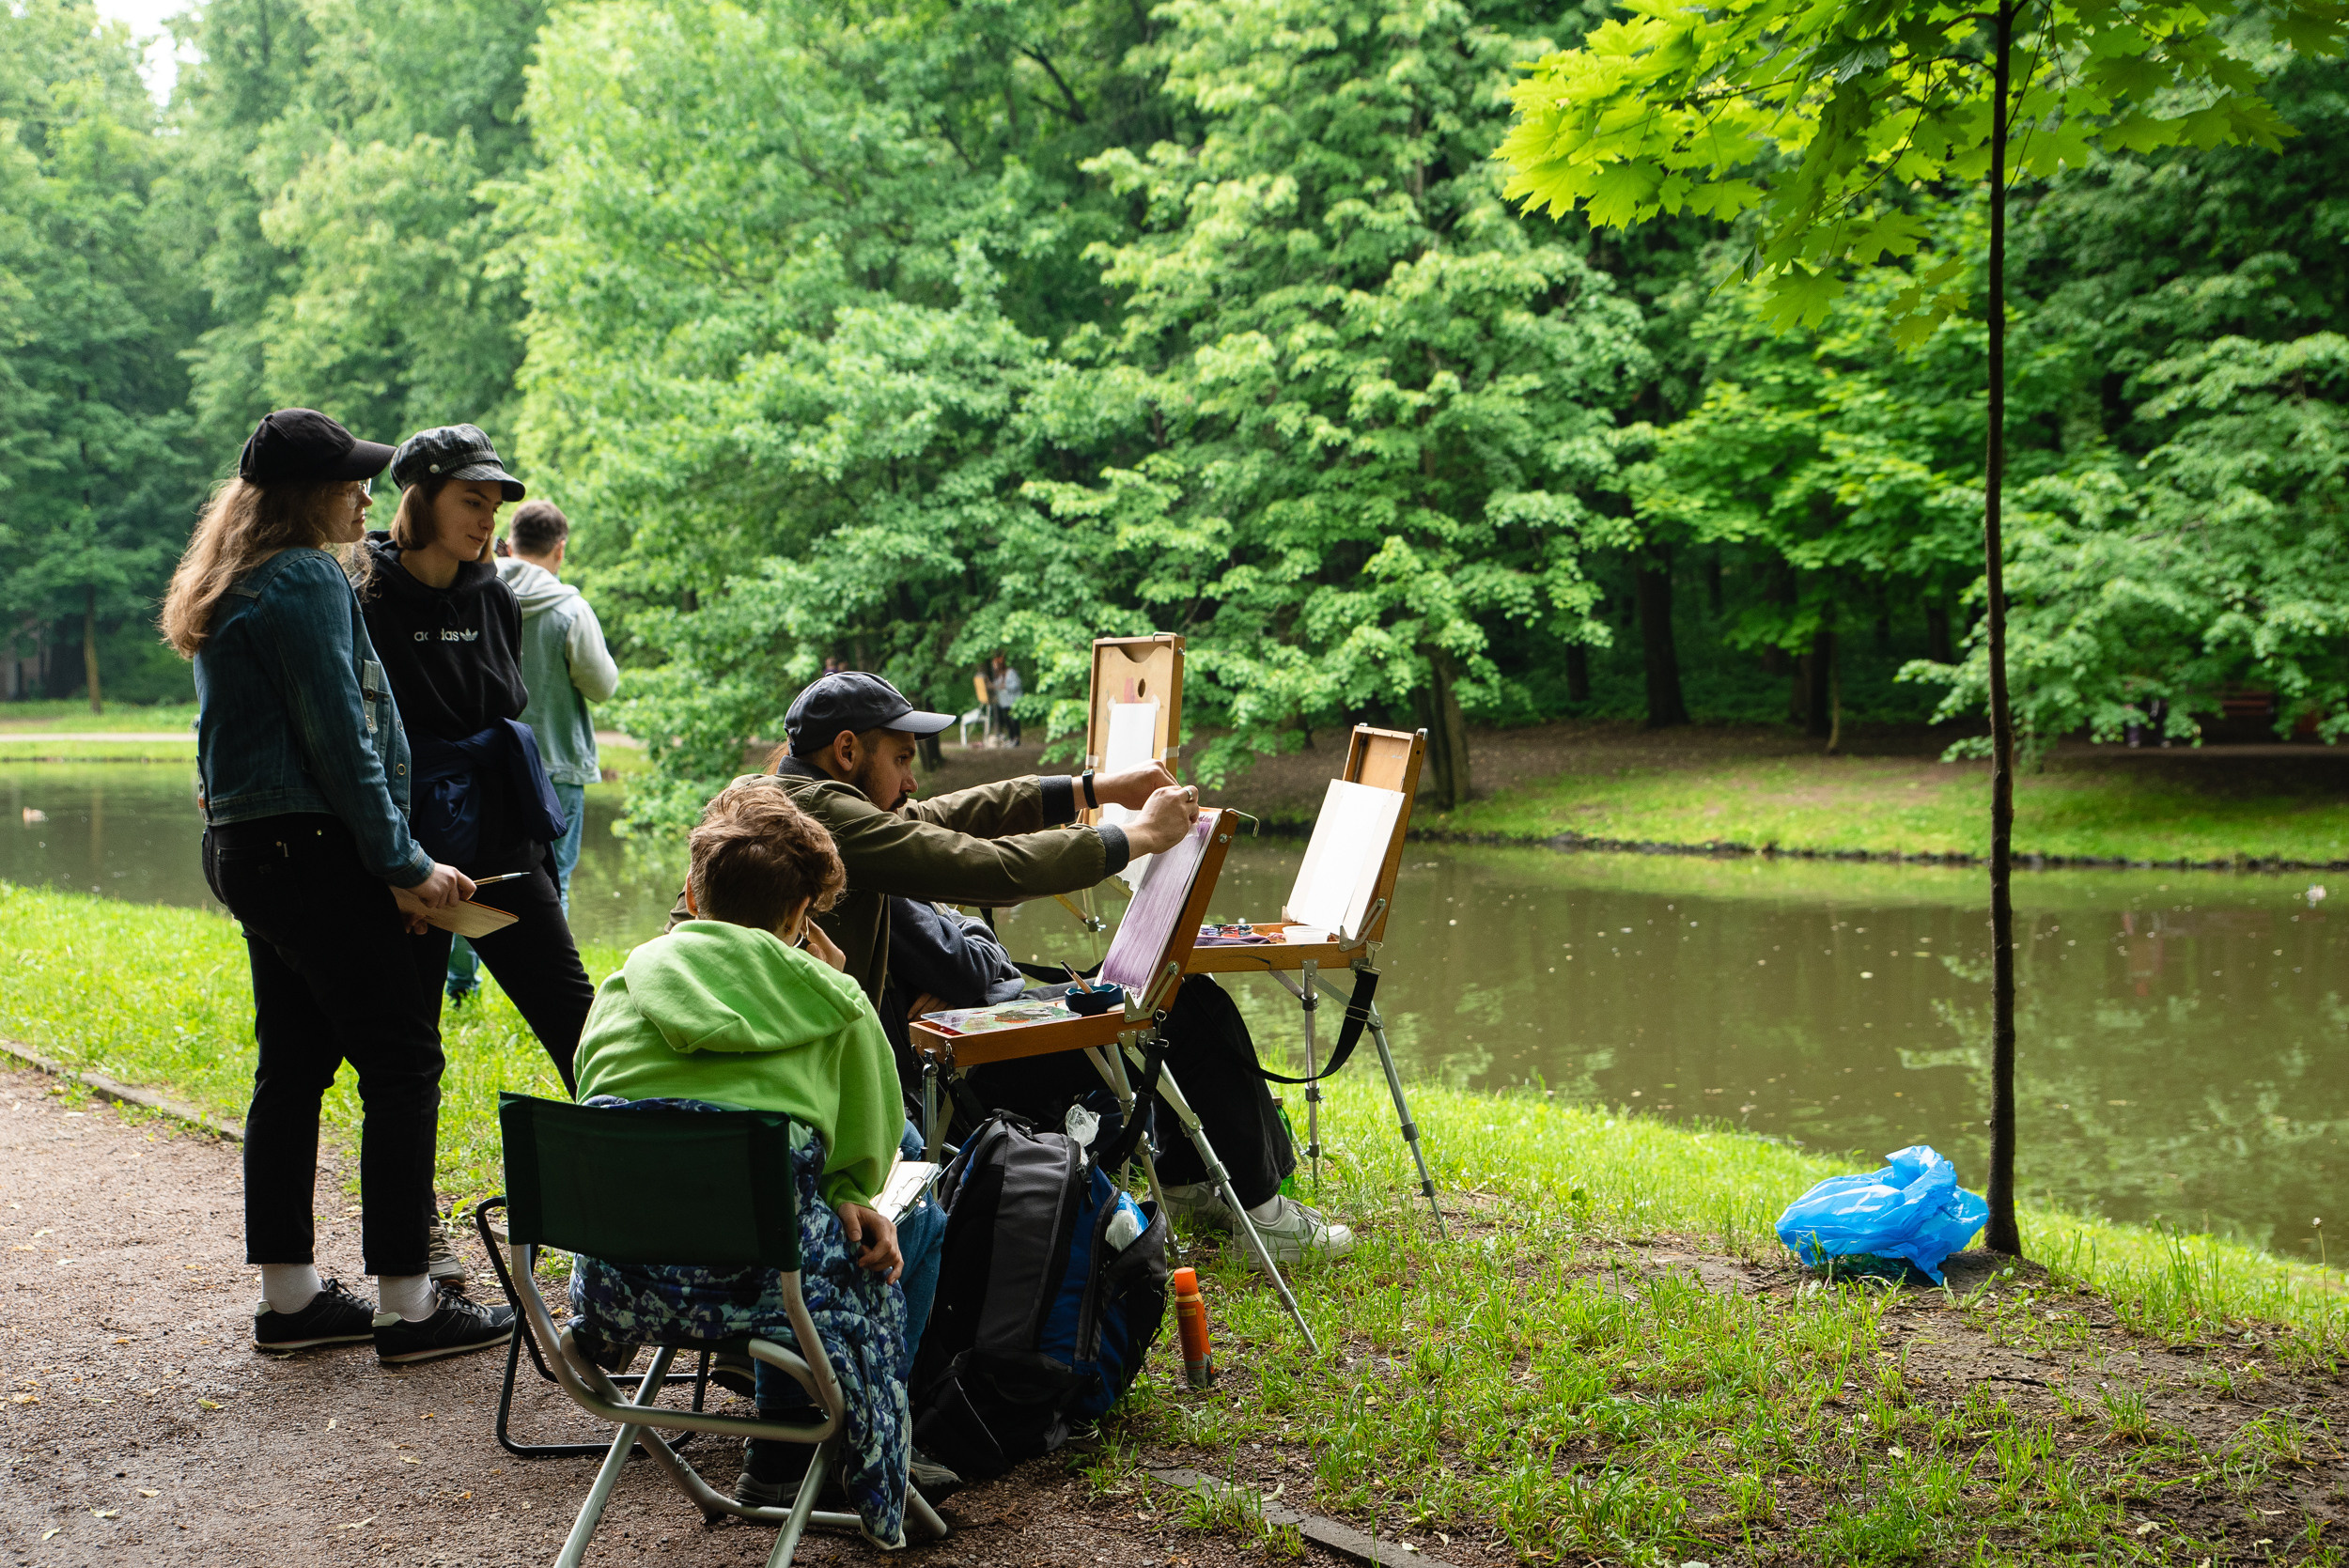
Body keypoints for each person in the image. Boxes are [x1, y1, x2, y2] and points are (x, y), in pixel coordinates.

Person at [673, 670, 1350, 1262]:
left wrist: (1091, 786)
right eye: (903, 757)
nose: (912, 780)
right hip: (853, 1083)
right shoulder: (828, 817)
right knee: (1189, 1006)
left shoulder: (795, 797)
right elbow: (983, 866)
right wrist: (1137, 835)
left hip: (825, 1070)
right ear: (847, 751)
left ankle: (1206, 1188)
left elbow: (952, 814)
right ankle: (1259, 1210)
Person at [162, 407, 516, 1364]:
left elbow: (224, 755)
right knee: (402, 1063)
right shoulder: (308, 577)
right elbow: (341, 743)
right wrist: (404, 865)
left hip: (251, 853)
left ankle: (292, 1298)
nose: (367, 494)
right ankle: (409, 1302)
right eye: (353, 480)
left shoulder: (230, 583)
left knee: (294, 1064)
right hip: (313, 853)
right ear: (309, 494)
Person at [578, 783, 946, 1510]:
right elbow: (867, 1159)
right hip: (760, 1285)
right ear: (799, 915)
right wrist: (829, 986)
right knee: (913, 1209)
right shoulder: (835, 1001)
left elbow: (599, 1099)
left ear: (691, 889)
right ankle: (825, 1439)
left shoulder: (622, 984)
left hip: (625, 1282)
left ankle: (786, 1439)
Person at [355, 424, 598, 1114]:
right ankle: (414, 1215)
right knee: (410, 1045)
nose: (486, 519)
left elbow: (502, 702)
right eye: (470, 500)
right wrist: (392, 865)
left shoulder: (495, 594)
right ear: (421, 499)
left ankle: (633, 1175)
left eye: (494, 505)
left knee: (577, 1019)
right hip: (410, 850)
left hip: (503, 835)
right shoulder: (363, 592)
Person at [444, 498, 618, 1002]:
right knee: (552, 880)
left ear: (509, 542)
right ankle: (549, 991)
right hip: (557, 767)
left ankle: (461, 987)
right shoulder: (569, 608)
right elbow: (602, 685)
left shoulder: (474, 593)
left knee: (466, 877)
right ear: (559, 549)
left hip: (484, 764)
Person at [988, 653, 1022, 745]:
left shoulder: (1010, 672)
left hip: (1014, 701)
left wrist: (1005, 686)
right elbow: (997, 685)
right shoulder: (998, 676)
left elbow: (1016, 685)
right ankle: (1011, 739)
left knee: (1014, 720)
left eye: (995, 665)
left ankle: (1016, 739)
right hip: (1005, 702)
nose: (994, 667)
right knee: (1007, 720)